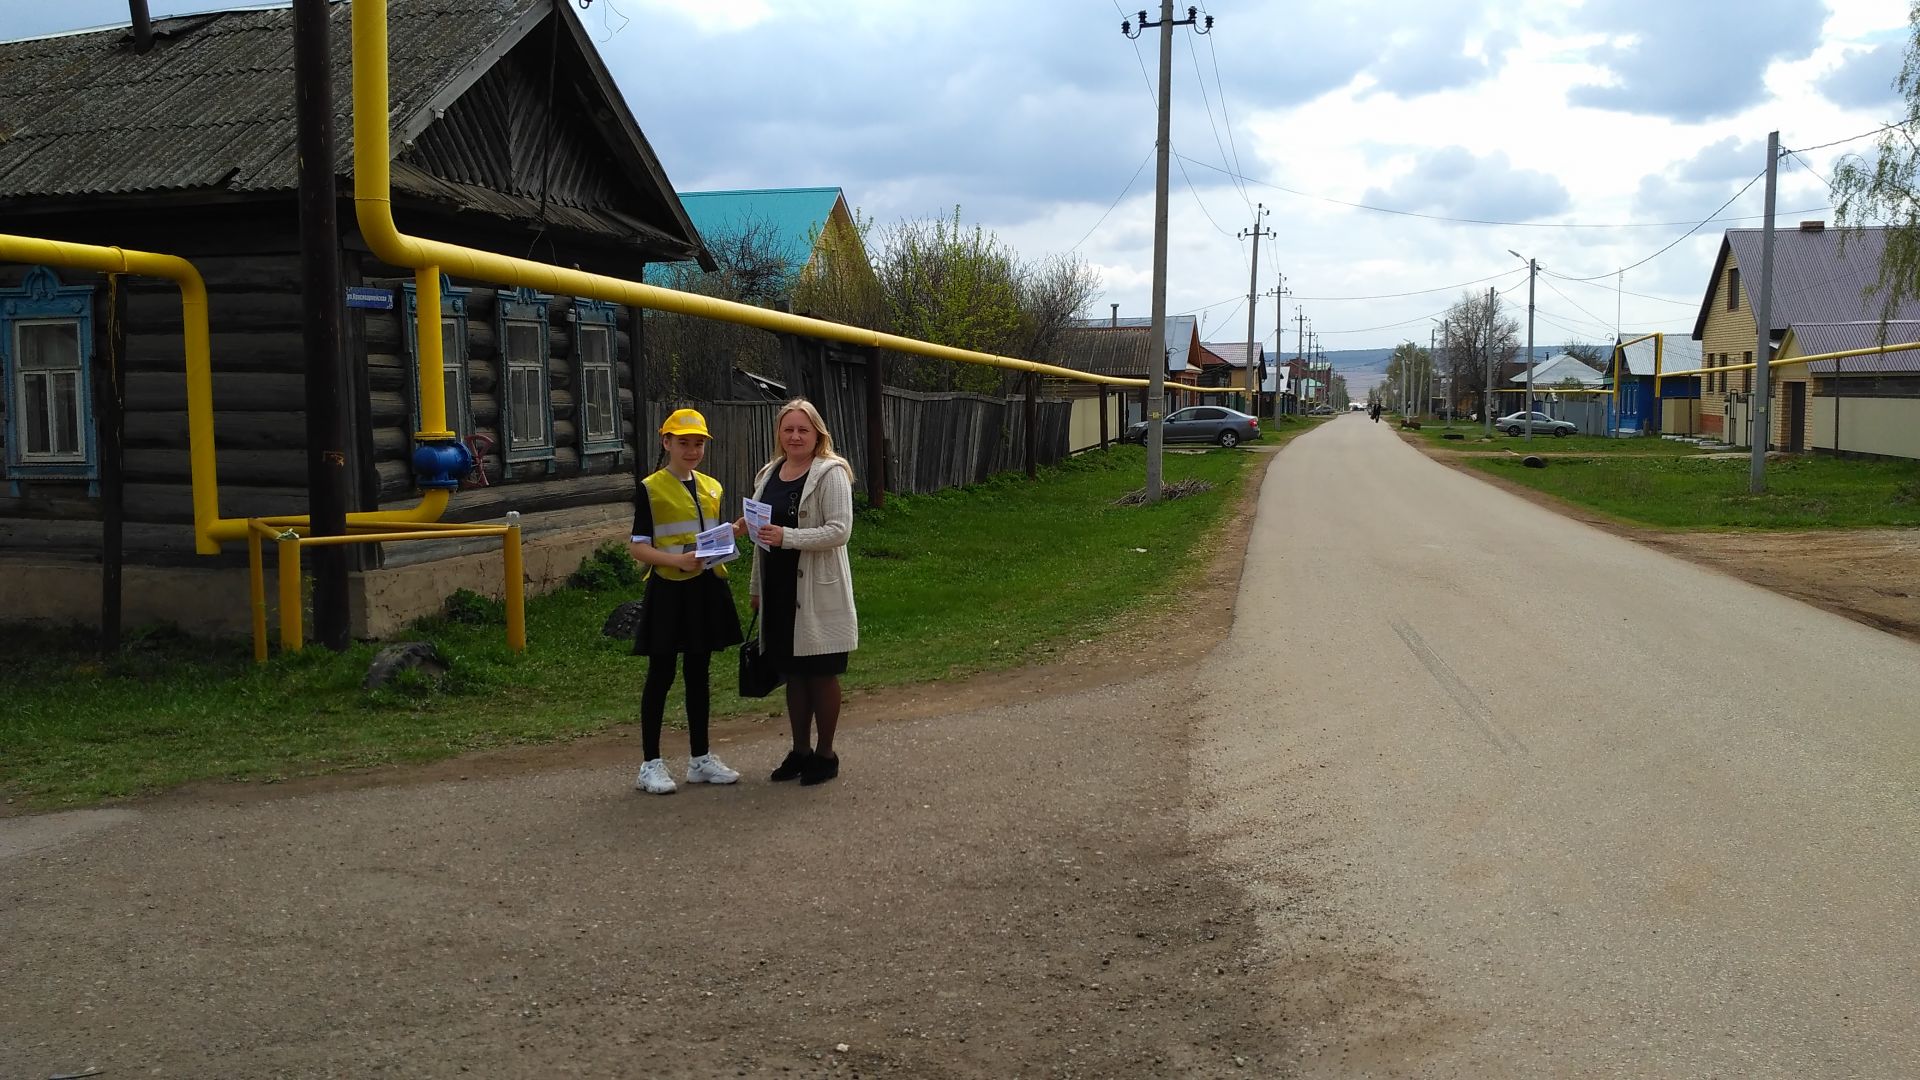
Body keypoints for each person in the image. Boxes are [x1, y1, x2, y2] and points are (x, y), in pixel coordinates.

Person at [628, 408, 746, 795]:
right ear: (666, 443)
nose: (692, 450)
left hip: (704, 588)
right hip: (668, 590)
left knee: (699, 673)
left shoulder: (713, 487)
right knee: (661, 675)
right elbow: (638, 547)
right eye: (683, 443)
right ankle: (650, 764)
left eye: (698, 443)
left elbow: (708, 539)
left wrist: (734, 533)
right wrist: (676, 560)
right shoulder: (650, 487)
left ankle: (700, 759)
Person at [743, 399, 859, 787]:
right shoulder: (768, 474)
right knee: (793, 674)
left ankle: (826, 754)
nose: (794, 436)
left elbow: (840, 530)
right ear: (779, 433)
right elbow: (763, 537)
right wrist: (756, 588)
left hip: (817, 589)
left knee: (821, 674)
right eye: (788, 429)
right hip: (778, 588)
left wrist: (788, 537)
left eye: (803, 430)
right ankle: (799, 750)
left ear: (817, 435)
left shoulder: (831, 473)